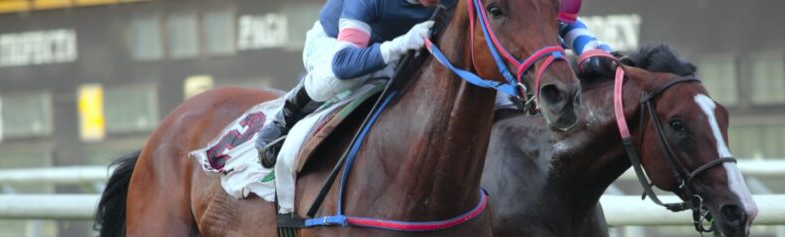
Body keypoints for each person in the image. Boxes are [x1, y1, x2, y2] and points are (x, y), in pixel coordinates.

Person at [257, 0, 613, 167]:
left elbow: (541, 16)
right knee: (336, 79)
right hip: (340, 49)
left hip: (412, 48)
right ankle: (287, 116)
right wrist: (398, 46)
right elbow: (346, 62)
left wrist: (588, 46)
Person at [255, 0, 441, 167]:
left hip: (389, 56)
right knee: (346, 77)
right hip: (333, 44)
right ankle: (284, 119)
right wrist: (400, 45)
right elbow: (342, 64)